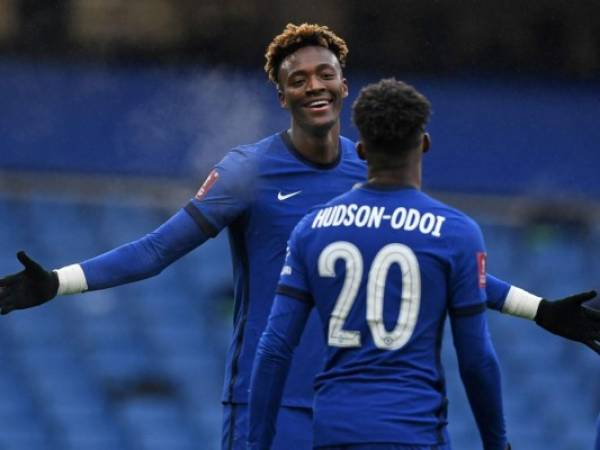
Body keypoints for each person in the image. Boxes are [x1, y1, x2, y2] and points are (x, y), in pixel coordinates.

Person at [0, 23, 597, 450]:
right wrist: (58, 282)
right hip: (271, 404)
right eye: (298, 78)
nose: (313, 85)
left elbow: (446, 262)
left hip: (350, 408)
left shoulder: (375, 172)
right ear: (281, 93)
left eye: (325, 73)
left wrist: (538, 309)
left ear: (343, 85)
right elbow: (158, 250)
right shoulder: (248, 171)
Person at [247, 77, 509, 450]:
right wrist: (497, 445)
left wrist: (256, 445)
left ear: (363, 150)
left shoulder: (312, 228)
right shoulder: (457, 233)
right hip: (414, 433)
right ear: (424, 144)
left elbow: (274, 348)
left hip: (333, 434)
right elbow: (476, 359)